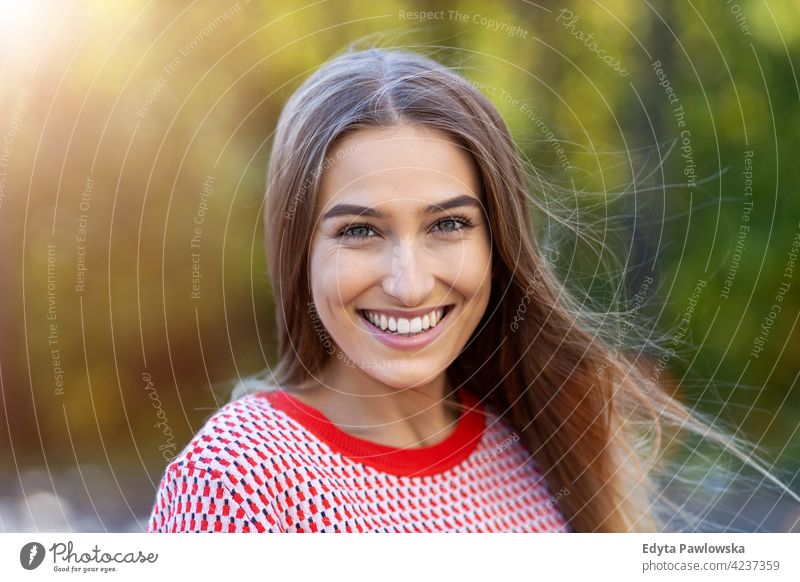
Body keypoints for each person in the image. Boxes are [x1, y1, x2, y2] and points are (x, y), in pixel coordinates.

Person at [147, 47, 792, 533]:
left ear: (497, 242)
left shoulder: (530, 443)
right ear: (300, 252)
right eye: (360, 230)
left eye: (449, 224)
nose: (409, 283)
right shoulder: (240, 480)